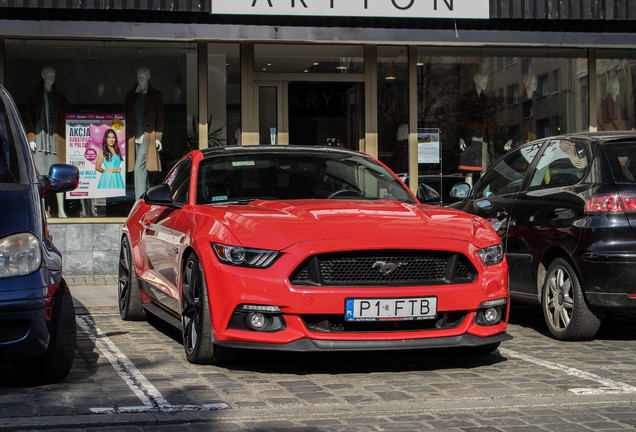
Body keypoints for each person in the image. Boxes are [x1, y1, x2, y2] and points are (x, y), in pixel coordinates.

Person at [24, 66, 69, 217]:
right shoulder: (35, 96)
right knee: (41, 176)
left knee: (59, 176)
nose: (51, 77)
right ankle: (42, 210)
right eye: (49, 74)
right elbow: (29, 118)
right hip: (39, 141)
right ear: (43, 76)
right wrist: (31, 137)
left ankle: (61, 210)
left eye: (53, 74)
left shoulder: (59, 97)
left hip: (55, 141)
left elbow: (64, 119)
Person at [124, 66, 164, 199]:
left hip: (148, 137)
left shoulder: (155, 95)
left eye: (143, 76)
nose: (140, 78)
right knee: (144, 169)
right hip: (133, 137)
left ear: (148, 77)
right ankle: (147, 200)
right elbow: (126, 115)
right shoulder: (131, 95)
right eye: (138, 76)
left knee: (138, 169)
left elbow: (160, 118)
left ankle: (138, 202)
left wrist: (158, 137)